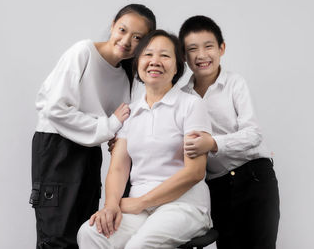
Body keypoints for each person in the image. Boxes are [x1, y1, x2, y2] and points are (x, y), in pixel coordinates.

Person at [29, 4, 156, 249]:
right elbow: (54, 108)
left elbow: (115, 125)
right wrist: (108, 126)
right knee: (56, 235)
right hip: (57, 148)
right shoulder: (83, 52)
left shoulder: (125, 75)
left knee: (82, 231)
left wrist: (115, 135)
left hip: (88, 154)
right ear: (112, 25)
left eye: (137, 38)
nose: (127, 40)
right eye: (122, 30)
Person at [77, 30, 213, 249]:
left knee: (139, 246)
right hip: (138, 210)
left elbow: (194, 172)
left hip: (182, 206)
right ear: (137, 63)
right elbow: (118, 168)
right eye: (148, 54)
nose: (155, 61)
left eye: (165, 56)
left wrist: (141, 202)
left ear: (177, 67)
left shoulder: (191, 105)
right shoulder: (130, 113)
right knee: (91, 233)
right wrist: (111, 205)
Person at [179, 15, 280, 249]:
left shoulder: (235, 84)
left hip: (254, 176)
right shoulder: (182, 96)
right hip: (218, 186)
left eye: (208, 46)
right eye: (192, 49)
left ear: (221, 48)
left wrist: (213, 143)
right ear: (184, 56)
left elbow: (254, 134)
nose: (202, 55)